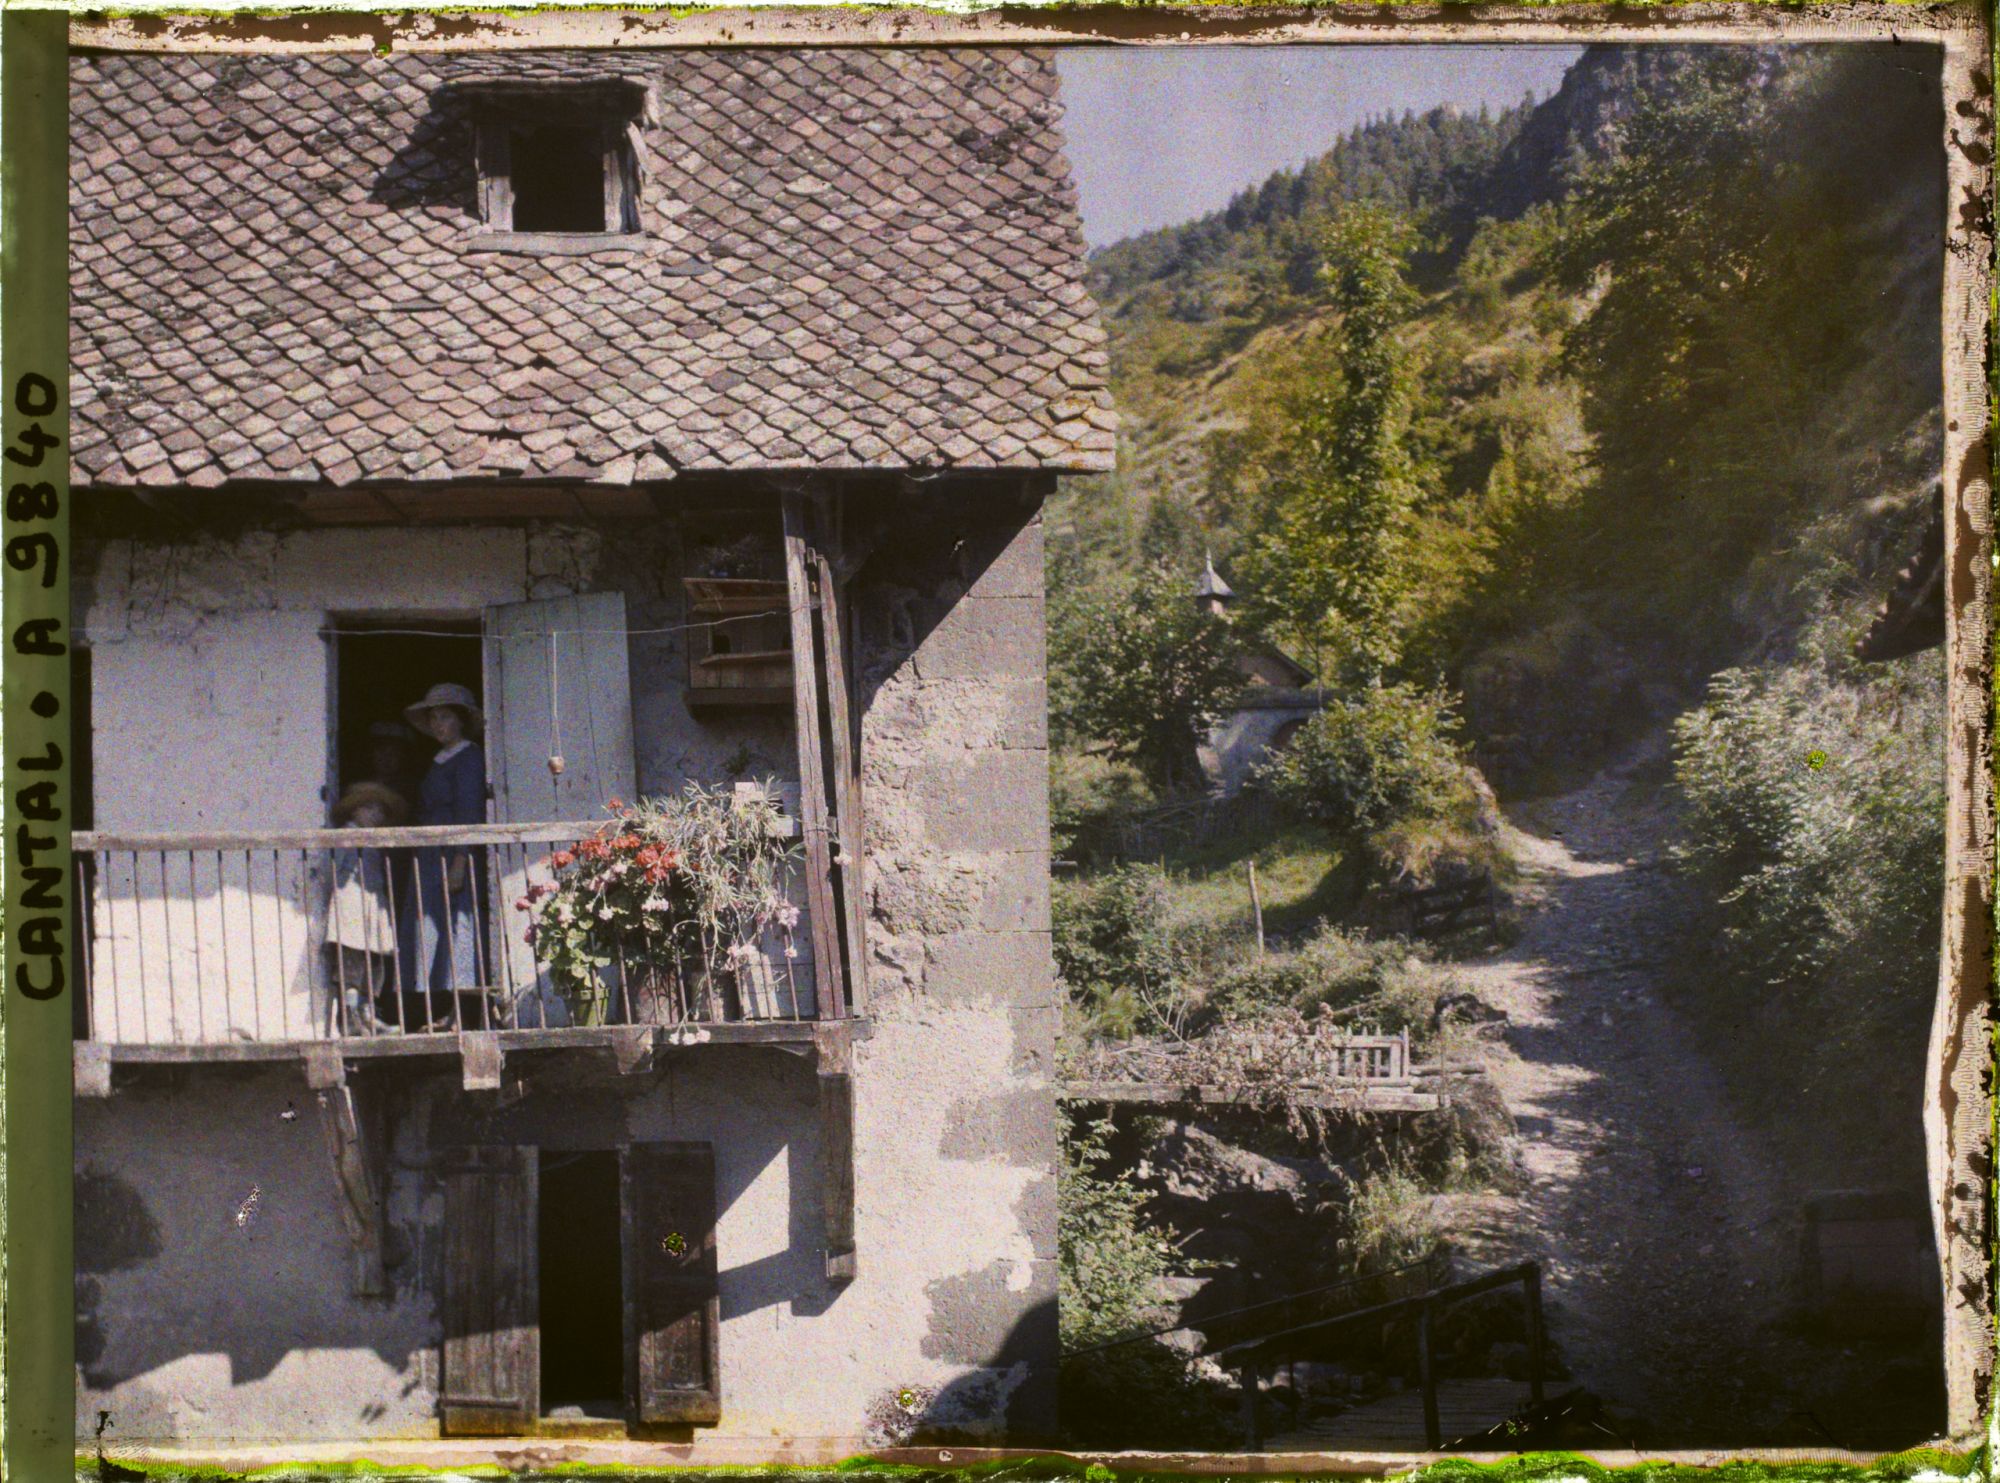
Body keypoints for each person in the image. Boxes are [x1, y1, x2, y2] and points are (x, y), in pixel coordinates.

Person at [404, 681, 489, 1028]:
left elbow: (469, 811)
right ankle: (447, 1010)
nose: (439, 725)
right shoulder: (439, 760)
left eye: (446, 717)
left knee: (459, 926)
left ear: (461, 721)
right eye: (434, 718)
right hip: (430, 856)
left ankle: (464, 1013)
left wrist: (460, 860)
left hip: (454, 851)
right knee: (435, 929)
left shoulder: (469, 758)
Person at [324, 781, 406, 1035]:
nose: (376, 815)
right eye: (370, 808)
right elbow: (335, 871)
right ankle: (348, 1016)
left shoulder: (371, 839)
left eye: (380, 810)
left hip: (371, 903)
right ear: (355, 810)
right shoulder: (347, 834)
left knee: (374, 961)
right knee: (352, 962)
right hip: (352, 903)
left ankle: (367, 1014)